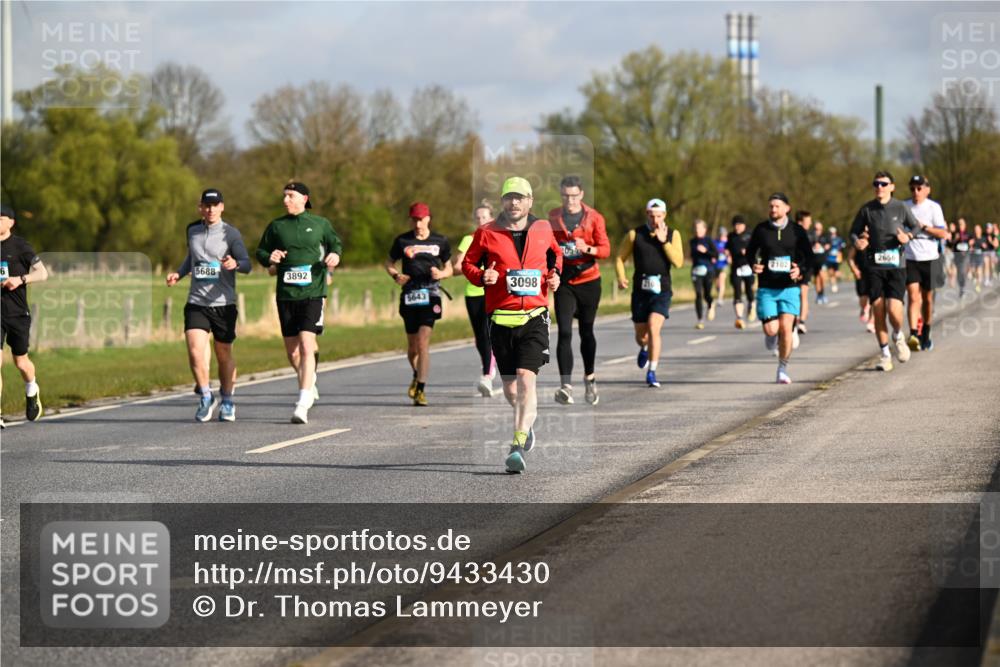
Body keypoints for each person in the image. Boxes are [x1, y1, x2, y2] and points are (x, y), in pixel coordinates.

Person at [461, 177, 561, 474]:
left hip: (534, 317)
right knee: (510, 388)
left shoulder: (543, 229)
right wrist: (482, 278)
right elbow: (469, 264)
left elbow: (555, 256)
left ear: (530, 201)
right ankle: (526, 423)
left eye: (520, 198)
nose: (514, 203)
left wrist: (554, 275)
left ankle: (516, 445)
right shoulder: (486, 233)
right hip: (500, 319)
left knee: (526, 378)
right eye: (509, 198)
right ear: (503, 201)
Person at [255, 182, 342, 424]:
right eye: (284, 196)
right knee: (292, 352)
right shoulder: (276, 226)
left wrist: (335, 254)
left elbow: (335, 244)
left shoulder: (320, 224)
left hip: (313, 293)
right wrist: (268, 258)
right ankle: (309, 379)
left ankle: (302, 402)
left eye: (290, 196)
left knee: (306, 343)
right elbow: (261, 252)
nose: (285, 200)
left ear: (304, 198)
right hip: (286, 296)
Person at [166, 189, 252, 422]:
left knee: (223, 354)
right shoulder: (192, 230)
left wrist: (235, 263)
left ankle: (227, 400)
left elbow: (247, 264)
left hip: (223, 304)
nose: (211, 209)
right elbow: (191, 259)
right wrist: (179, 273)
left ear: (222, 207)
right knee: (195, 352)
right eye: (207, 205)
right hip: (197, 301)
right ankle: (205, 396)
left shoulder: (231, 234)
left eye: (215, 205)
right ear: (200, 207)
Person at [850, 171, 921, 372]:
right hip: (874, 266)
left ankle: (898, 335)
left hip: (896, 266)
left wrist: (908, 236)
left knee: (893, 310)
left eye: (883, 184)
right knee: (878, 310)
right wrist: (858, 241)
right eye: (876, 184)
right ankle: (885, 355)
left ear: (892, 186)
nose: (879, 187)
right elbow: (853, 231)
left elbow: (916, 226)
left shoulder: (901, 207)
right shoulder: (867, 209)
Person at [548, 175, 610, 406]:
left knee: (586, 332)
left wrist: (588, 248)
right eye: (566, 195)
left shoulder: (594, 217)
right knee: (564, 331)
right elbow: (548, 248)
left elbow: (605, 249)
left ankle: (590, 377)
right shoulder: (553, 217)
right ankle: (566, 386)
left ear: (581, 194)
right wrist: (551, 270)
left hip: (589, 280)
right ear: (561, 195)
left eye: (574, 196)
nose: (570, 200)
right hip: (564, 282)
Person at [386, 202, 453, 407]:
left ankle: (421, 389)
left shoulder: (440, 241)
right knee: (413, 347)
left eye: (421, 219)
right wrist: (397, 275)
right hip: (410, 294)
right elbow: (389, 262)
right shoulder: (402, 240)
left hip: (431, 294)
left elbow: (449, 268)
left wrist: (441, 274)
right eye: (414, 219)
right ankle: (417, 374)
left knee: (424, 343)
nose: (418, 223)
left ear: (428, 218)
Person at [615, 198, 684, 388]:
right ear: (647, 214)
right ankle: (644, 347)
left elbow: (678, 262)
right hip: (640, 290)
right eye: (652, 216)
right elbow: (620, 258)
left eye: (659, 216)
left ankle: (652, 371)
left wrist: (664, 243)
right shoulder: (634, 234)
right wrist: (621, 277)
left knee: (654, 327)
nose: (655, 220)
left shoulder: (673, 234)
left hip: (662, 290)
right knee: (641, 335)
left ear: (665, 215)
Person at [746, 193, 813, 384]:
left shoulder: (797, 231)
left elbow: (808, 256)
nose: (773, 210)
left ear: (787, 209)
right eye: (771, 206)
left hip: (790, 288)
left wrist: (800, 269)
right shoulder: (761, 230)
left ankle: (782, 368)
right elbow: (750, 253)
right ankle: (771, 336)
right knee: (771, 330)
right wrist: (753, 265)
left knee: (785, 328)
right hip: (767, 286)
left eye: (777, 206)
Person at [0, 204, 49, 428]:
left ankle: (32, 390)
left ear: (11, 222)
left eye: (1, 218)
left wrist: (19, 280)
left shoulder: (20, 246)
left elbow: (42, 273)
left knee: (21, 362)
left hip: (17, 313)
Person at [453, 200, 497, 398]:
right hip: (474, 292)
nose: (481, 221)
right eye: (478, 218)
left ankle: (487, 374)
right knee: (480, 336)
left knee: (491, 334)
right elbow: (458, 265)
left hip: (494, 292)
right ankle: (488, 365)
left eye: (485, 217)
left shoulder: (497, 237)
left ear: (492, 218)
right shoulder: (468, 239)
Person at [902, 175, 948, 352]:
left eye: (919, 188)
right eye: (912, 188)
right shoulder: (904, 206)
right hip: (910, 257)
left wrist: (924, 228)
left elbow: (943, 233)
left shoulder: (934, 207)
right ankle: (914, 334)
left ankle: (926, 333)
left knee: (928, 300)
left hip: (931, 258)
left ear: (927, 189)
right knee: (913, 296)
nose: (916, 192)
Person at [725, 215, 755, 329]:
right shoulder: (731, 236)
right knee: (737, 292)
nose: (737, 227)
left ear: (744, 225)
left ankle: (751, 305)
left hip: (748, 266)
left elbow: (757, 248)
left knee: (749, 291)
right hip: (736, 268)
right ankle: (739, 318)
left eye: (739, 225)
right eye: (735, 225)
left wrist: (748, 252)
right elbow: (727, 247)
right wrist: (728, 254)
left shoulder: (750, 235)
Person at [689, 219, 718, 329]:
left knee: (706, 294)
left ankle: (711, 303)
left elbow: (715, 254)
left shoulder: (709, 240)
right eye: (696, 228)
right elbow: (692, 255)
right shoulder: (692, 241)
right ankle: (700, 319)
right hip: (696, 270)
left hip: (708, 270)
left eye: (699, 228)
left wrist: (705, 251)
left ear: (704, 229)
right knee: (698, 294)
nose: (697, 230)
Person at [847, 243, 875, 334]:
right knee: (863, 297)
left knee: (875, 299)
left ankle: (871, 321)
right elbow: (850, 258)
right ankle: (864, 308)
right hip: (861, 273)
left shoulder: (877, 238)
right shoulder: (857, 242)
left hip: (875, 272)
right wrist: (854, 270)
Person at [794, 210, 813, 334]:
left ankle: (801, 322)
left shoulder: (809, 235)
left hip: (805, 267)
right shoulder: (791, 234)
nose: (810, 223)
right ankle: (793, 319)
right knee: (793, 294)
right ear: (800, 222)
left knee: (803, 293)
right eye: (808, 221)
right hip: (791, 267)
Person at [948, 218, 972, 298]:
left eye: (961, 224)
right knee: (958, 273)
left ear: (965, 225)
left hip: (965, 255)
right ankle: (961, 287)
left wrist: (971, 243)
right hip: (957, 255)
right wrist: (956, 239)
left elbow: (972, 242)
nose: (960, 225)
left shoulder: (968, 233)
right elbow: (950, 244)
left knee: (962, 271)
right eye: (959, 224)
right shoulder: (955, 233)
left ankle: (963, 287)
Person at [810, 219, 829, 305]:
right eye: (815, 229)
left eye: (819, 229)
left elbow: (829, 245)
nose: (817, 231)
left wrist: (822, 246)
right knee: (816, 278)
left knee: (822, 276)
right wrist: (813, 246)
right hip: (814, 259)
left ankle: (823, 293)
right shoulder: (810, 236)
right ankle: (819, 295)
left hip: (822, 259)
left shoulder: (825, 237)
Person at [824, 226, 846, 294]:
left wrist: (839, 249)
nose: (832, 234)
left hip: (836, 259)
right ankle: (834, 285)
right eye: (831, 233)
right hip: (829, 258)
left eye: (833, 233)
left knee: (836, 273)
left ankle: (841, 276)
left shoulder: (839, 239)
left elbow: (843, 245)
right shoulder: (827, 239)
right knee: (830, 273)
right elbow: (824, 246)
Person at [971, 224, 989, 293]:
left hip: (980, 256)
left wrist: (984, 246)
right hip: (973, 256)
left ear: (980, 230)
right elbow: (970, 247)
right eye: (975, 229)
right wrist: (970, 245)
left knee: (979, 271)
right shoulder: (973, 238)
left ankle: (978, 285)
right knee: (973, 271)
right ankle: (975, 278)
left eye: (978, 229)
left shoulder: (984, 238)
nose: (977, 230)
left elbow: (987, 247)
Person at [714, 227, 729, 308]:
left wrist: (728, 255)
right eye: (720, 235)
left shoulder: (727, 243)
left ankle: (720, 299)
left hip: (724, 265)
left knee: (721, 280)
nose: (722, 237)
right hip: (716, 265)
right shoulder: (715, 242)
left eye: (723, 235)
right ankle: (720, 294)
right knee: (717, 284)